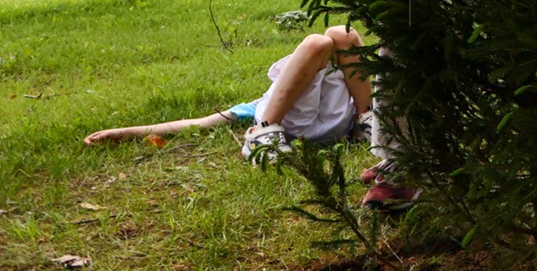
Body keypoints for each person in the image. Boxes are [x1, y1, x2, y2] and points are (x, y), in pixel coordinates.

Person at [82, 27, 405, 208]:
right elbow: (205, 122)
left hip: (345, 121)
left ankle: (368, 121)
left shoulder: (335, 77)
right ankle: (264, 132)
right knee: (321, 40)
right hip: (287, 126)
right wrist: (127, 131)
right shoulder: (264, 102)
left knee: (342, 33)